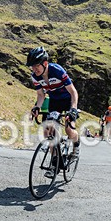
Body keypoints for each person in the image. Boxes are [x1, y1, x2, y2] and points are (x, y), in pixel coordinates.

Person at [27, 46, 80, 174]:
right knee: (49, 131)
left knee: (69, 128)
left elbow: (73, 92)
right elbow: (41, 95)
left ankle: (76, 147)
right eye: (32, 67)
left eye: (36, 66)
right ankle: (55, 163)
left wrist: (73, 109)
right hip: (55, 101)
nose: (34, 69)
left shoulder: (57, 70)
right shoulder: (35, 77)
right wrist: (37, 107)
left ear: (45, 63)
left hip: (68, 100)